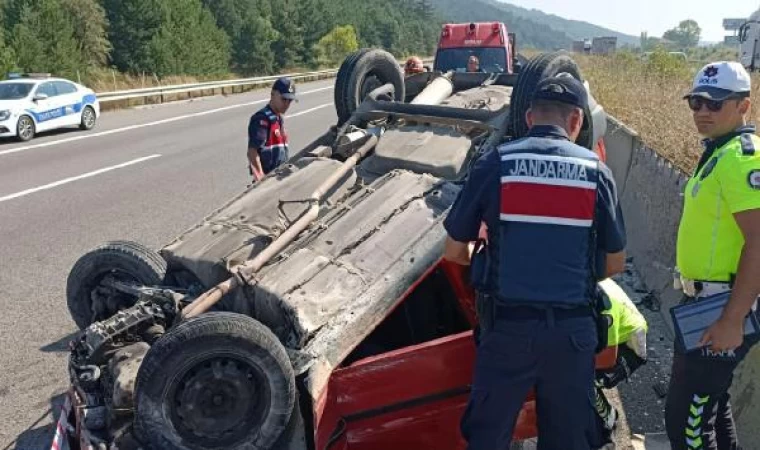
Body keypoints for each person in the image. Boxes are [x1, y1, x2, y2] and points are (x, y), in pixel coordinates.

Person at [443, 74, 627, 449]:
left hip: (508, 331)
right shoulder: (596, 173)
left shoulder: (497, 163)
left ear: (529, 117)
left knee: (487, 437)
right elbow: (615, 263)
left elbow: (453, 250)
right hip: (572, 335)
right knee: (567, 439)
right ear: (576, 121)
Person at [666, 61, 760, 450]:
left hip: (723, 307)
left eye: (716, 103)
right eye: (697, 102)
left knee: (686, 425)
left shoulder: (742, 158)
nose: (703, 111)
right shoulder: (719, 152)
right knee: (712, 410)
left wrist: (732, 320)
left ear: (744, 107)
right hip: (706, 304)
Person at [594, 278, 648, 446]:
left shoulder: (604, 307)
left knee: (578, 378)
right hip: (602, 335)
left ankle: (608, 420)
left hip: (627, 348)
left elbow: (606, 359)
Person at [247, 77, 296, 182]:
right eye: (283, 99)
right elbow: (252, 152)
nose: (287, 104)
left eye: (290, 100)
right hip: (269, 180)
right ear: (273, 94)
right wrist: (260, 179)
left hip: (280, 177)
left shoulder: (278, 118)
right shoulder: (262, 119)